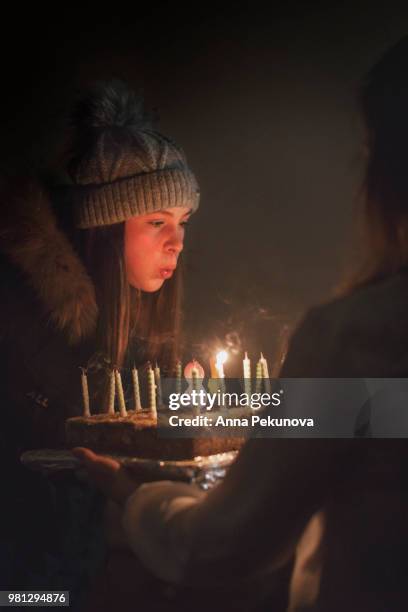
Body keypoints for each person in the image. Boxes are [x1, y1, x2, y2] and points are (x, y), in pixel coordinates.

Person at [75, 37, 408, 612]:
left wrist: (135, 495)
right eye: (156, 220)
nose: (176, 240)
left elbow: (225, 545)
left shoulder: (358, 341)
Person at [0, 79, 199, 599]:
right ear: (104, 229)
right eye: (156, 221)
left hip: (72, 574)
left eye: (182, 221)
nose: (177, 240)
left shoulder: (132, 318)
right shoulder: (24, 315)